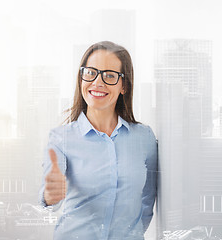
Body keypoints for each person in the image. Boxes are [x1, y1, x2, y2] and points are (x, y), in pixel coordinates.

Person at [39, 41, 158, 240]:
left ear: (124, 86)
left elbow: (148, 198)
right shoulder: (61, 139)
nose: (97, 82)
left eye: (109, 75)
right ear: (81, 78)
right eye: (90, 72)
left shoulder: (144, 138)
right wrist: (50, 195)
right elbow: (51, 199)